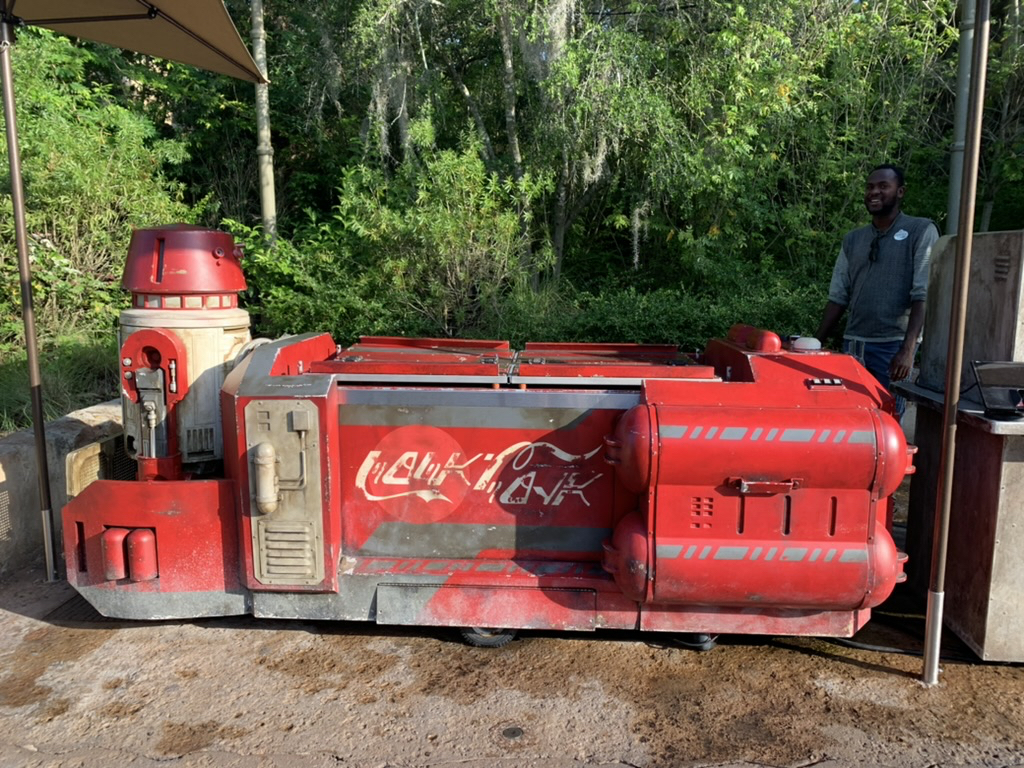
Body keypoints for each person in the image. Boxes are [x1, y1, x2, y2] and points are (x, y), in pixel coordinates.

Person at [815, 164, 939, 418]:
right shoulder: (854, 239)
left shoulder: (921, 230)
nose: (874, 192)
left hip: (892, 344)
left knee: (887, 418)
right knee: (850, 418)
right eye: (870, 186)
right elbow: (838, 295)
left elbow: (922, 293)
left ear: (900, 191)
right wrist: (816, 343)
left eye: (884, 186)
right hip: (854, 344)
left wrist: (908, 349)